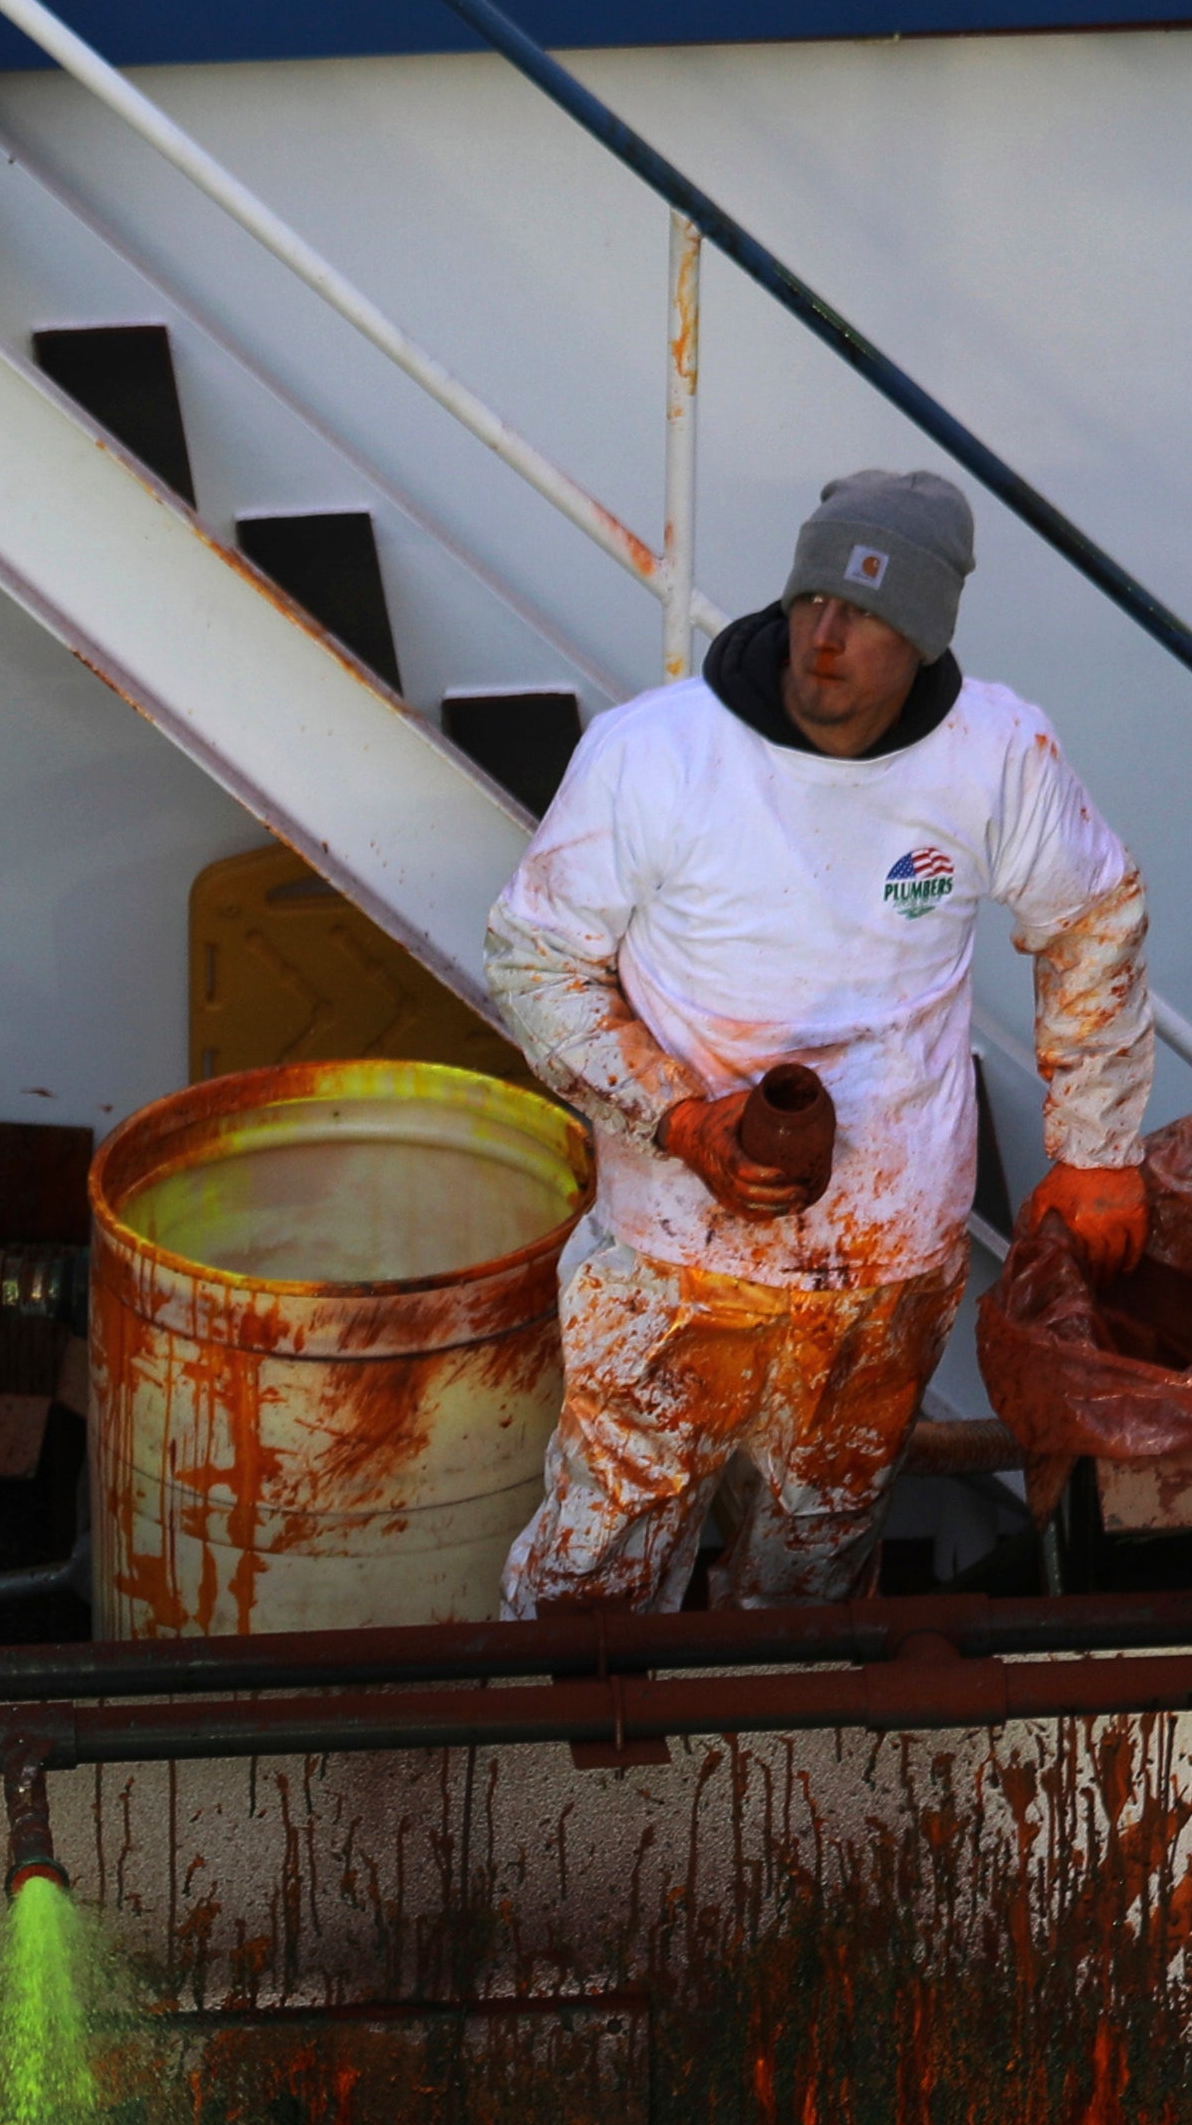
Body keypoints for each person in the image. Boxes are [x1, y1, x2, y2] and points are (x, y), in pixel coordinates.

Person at [481, 466, 1152, 1614]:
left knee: (815, 1560)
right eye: (812, 602)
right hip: (671, 1257)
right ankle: (565, 1772)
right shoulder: (659, 754)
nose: (826, 639)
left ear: (927, 637)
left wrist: (1096, 1150)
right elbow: (535, 956)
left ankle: (780, 1767)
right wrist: (679, 1119)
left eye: (869, 615)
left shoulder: (996, 757)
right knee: (601, 1564)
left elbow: (1094, 915)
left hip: (884, 1268)